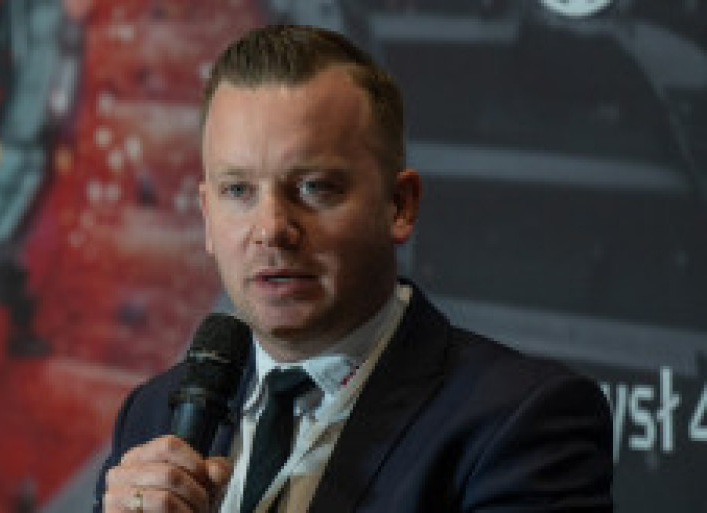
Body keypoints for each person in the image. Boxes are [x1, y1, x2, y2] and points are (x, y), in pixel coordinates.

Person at [94, 24, 612, 512]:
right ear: (207, 216)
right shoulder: (152, 417)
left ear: (400, 205)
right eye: (238, 191)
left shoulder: (519, 420)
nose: (271, 228)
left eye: (314, 188)